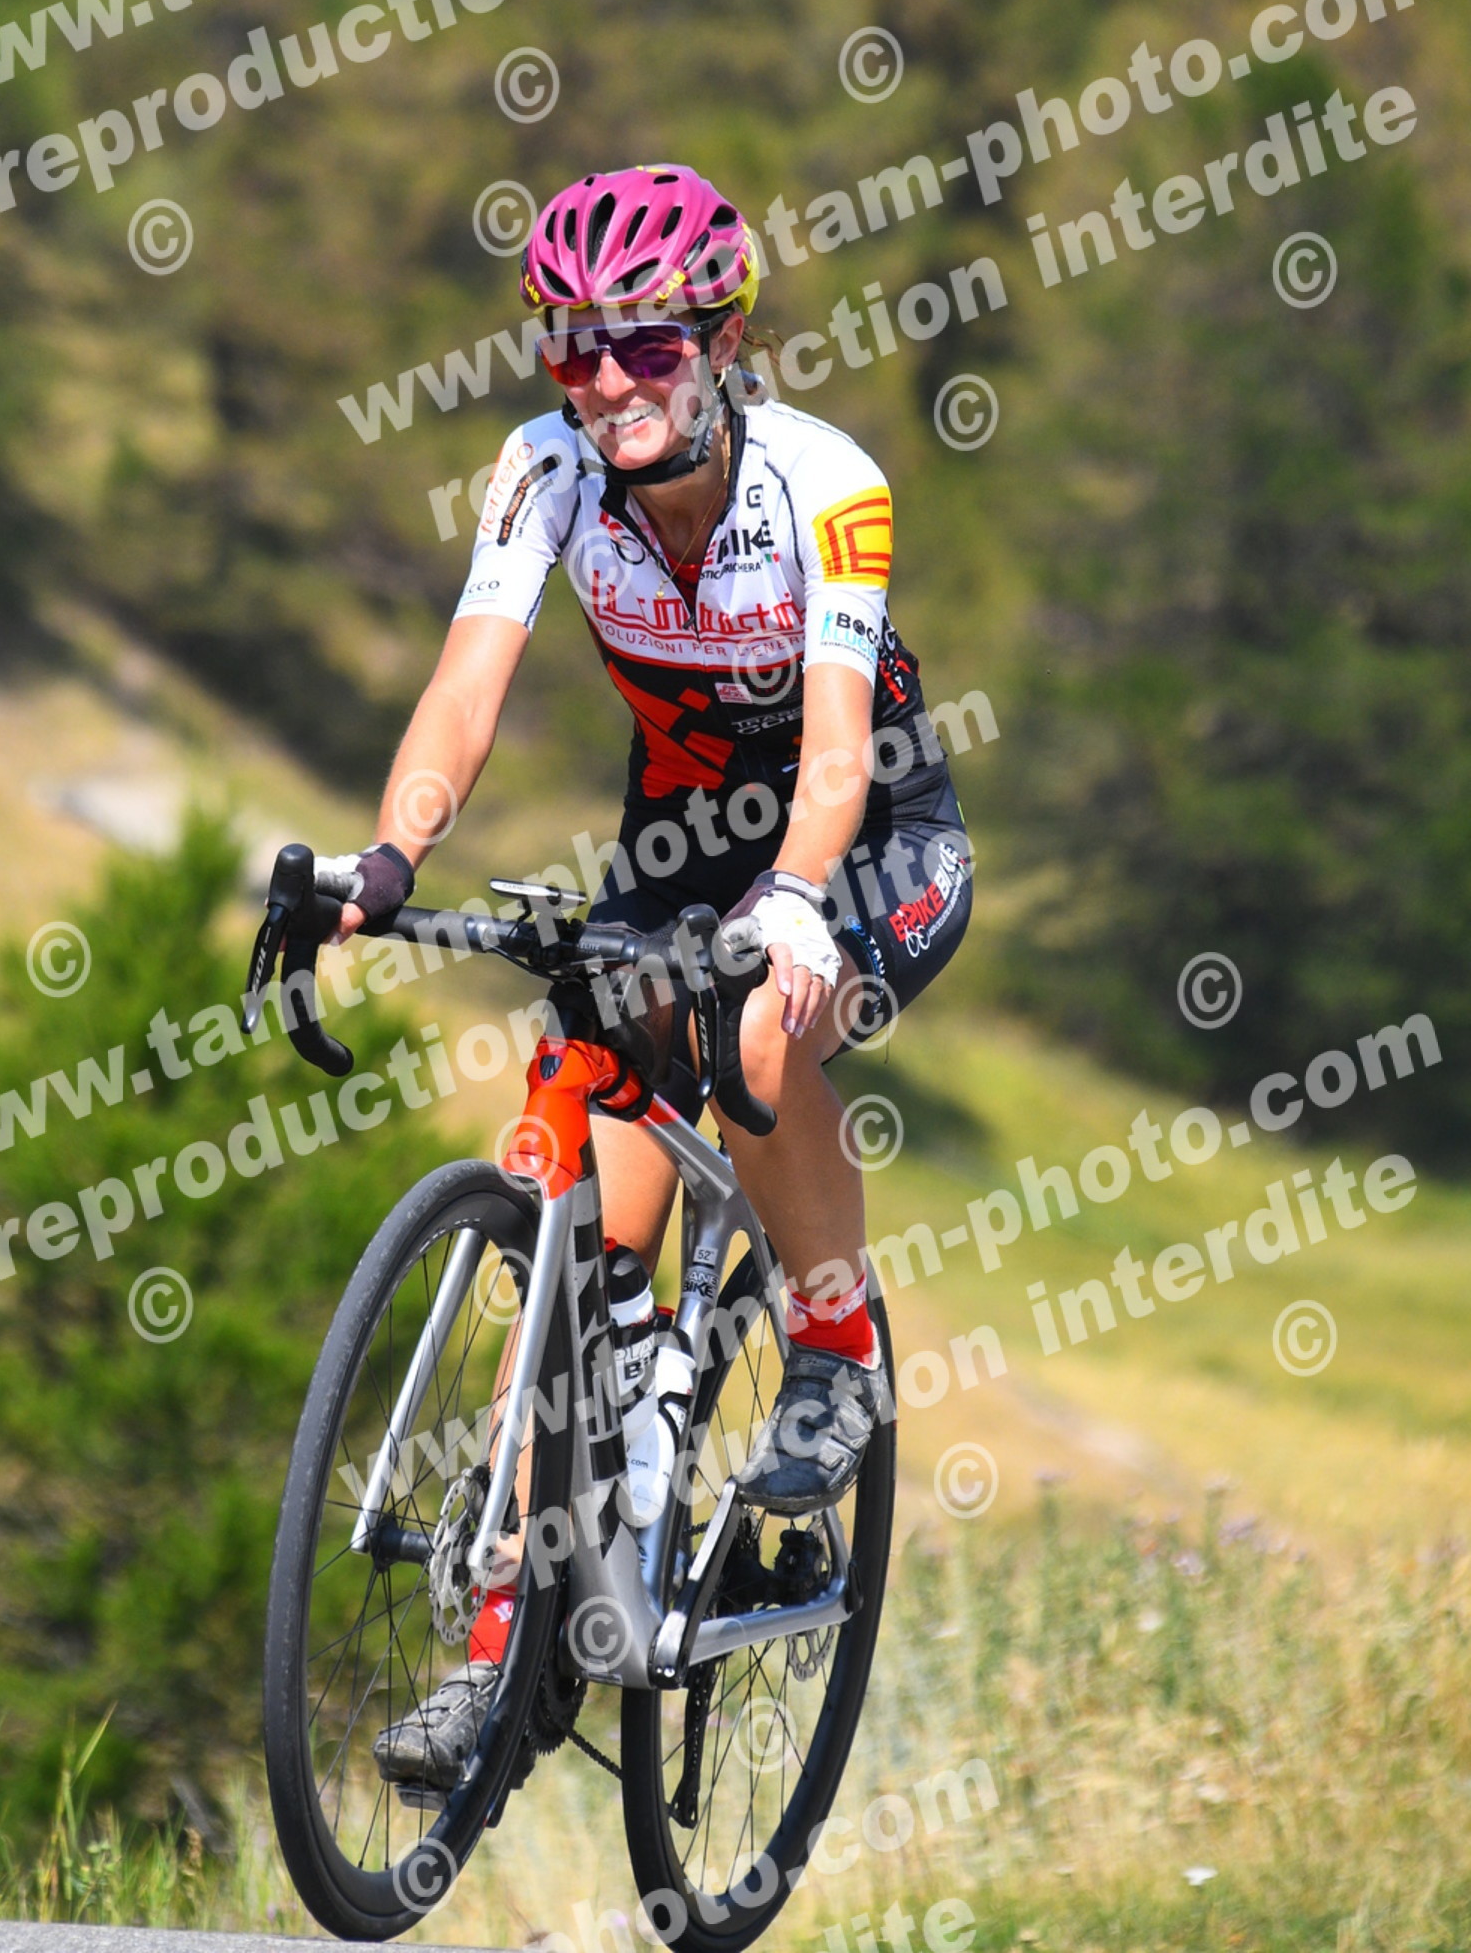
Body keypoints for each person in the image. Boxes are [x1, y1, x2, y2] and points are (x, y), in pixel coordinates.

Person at [316, 164, 972, 1792]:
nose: (607, 379)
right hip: (677, 845)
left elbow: (836, 748)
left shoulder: (828, 483)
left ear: (723, 340)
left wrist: (799, 901)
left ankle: (833, 1350)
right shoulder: (542, 471)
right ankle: (505, 1653)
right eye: (573, 344)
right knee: (585, 1251)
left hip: (868, 835)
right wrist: (386, 859)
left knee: (757, 1037)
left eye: (648, 344)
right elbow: (466, 691)